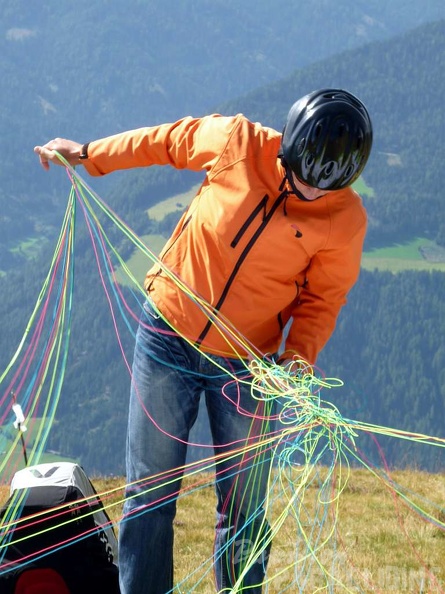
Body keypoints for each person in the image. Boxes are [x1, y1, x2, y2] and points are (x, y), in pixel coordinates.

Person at [34, 88, 373, 594]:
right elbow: (165, 141)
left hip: (248, 367)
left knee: (243, 510)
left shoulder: (345, 222)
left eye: (321, 191)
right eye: (301, 179)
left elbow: (322, 300)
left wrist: (298, 359)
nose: (307, 193)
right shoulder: (237, 140)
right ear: (290, 146)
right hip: (167, 334)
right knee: (149, 492)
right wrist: (87, 154)